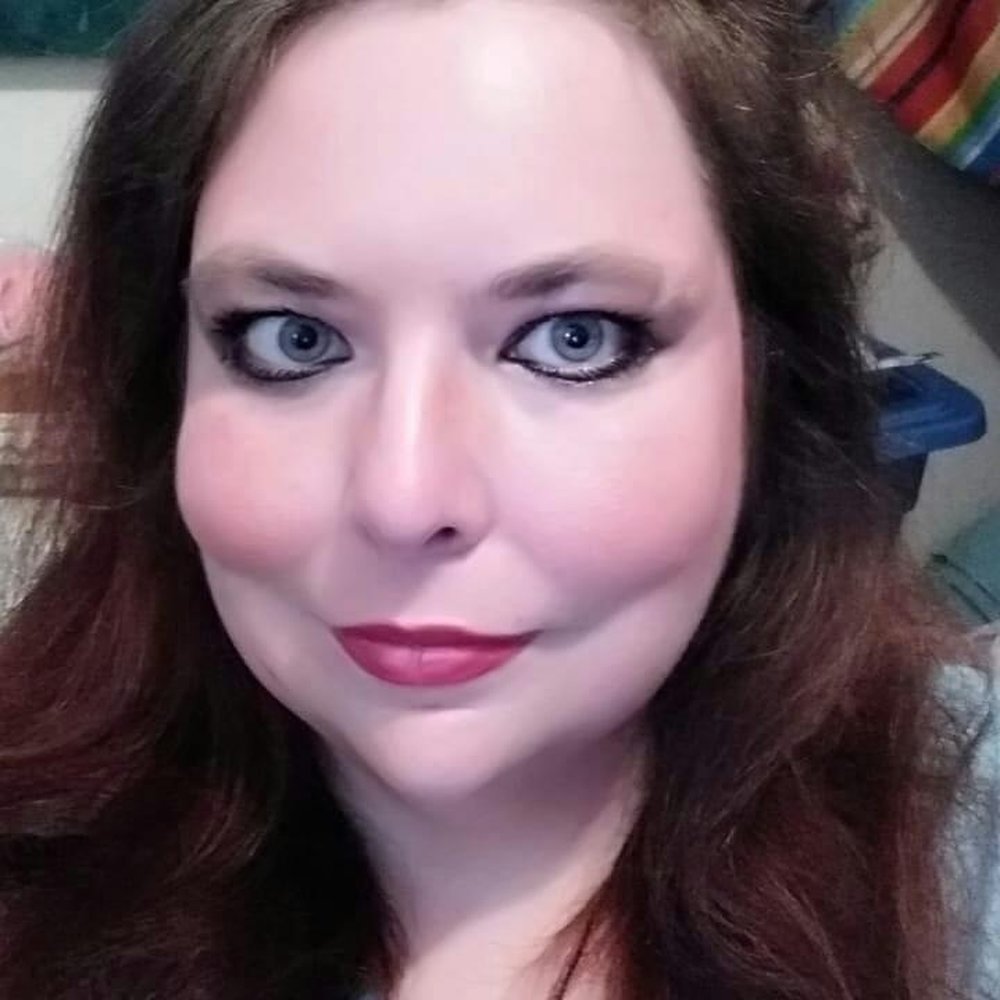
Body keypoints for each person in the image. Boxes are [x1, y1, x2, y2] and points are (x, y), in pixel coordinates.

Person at [0, 0, 996, 997]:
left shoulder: (963, 842)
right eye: (290, 339)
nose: (404, 498)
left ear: (769, 377)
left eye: (576, 338)